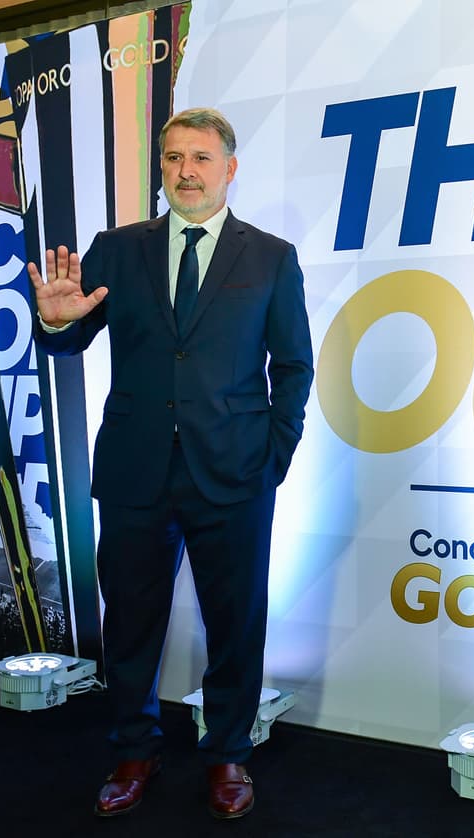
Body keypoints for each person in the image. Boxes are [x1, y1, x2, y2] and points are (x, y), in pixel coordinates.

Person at [27, 107, 314, 820]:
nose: (186, 171)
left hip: (235, 473)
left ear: (229, 169)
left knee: (235, 624)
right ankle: (134, 749)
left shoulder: (271, 258)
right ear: (162, 168)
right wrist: (56, 320)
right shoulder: (117, 249)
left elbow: (294, 366)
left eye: (201, 158)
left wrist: (271, 458)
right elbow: (69, 338)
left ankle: (227, 757)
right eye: (174, 158)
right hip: (134, 470)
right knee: (129, 622)